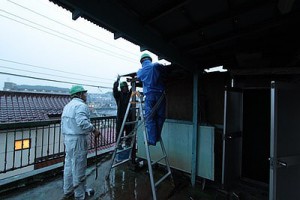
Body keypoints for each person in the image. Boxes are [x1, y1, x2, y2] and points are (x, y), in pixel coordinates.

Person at [61, 85, 100, 200]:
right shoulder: (81, 106)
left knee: (69, 166)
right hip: (78, 139)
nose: (85, 95)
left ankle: (68, 190)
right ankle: (80, 195)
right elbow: (82, 122)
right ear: (79, 94)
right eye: (84, 93)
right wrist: (94, 129)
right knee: (79, 168)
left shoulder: (67, 106)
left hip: (68, 139)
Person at [137, 53, 169, 146]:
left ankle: (152, 139)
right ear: (149, 59)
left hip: (149, 96)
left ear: (142, 61)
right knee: (160, 116)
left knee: (150, 118)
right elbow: (162, 68)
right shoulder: (155, 66)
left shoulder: (140, 71)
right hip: (160, 95)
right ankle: (157, 137)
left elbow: (139, 77)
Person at [113, 77, 136, 163]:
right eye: (124, 88)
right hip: (121, 118)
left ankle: (127, 148)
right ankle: (119, 149)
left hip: (128, 118)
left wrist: (132, 82)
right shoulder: (118, 95)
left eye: (126, 87)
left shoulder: (129, 94)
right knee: (119, 134)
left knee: (129, 133)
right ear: (121, 89)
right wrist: (117, 81)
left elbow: (132, 90)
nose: (125, 89)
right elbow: (115, 90)